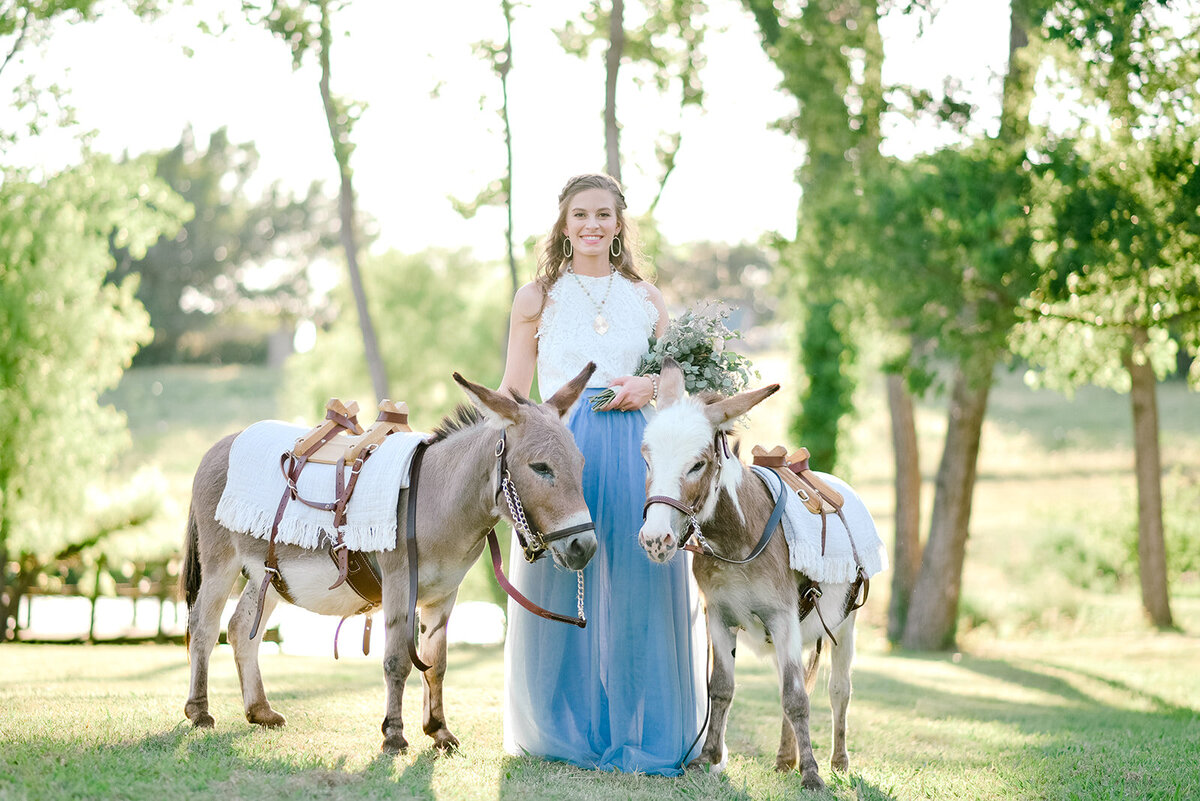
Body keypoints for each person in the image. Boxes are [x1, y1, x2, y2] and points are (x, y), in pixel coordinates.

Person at [497, 173, 706, 775]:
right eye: (580, 215)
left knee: (642, 581)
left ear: (619, 225)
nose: (592, 226)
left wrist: (649, 384)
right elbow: (514, 389)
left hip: (640, 447)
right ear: (564, 224)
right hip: (564, 450)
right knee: (563, 579)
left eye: (604, 216)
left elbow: (674, 383)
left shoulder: (646, 297)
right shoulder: (536, 297)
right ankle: (560, 726)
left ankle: (646, 727)